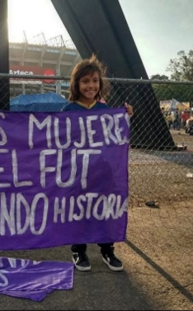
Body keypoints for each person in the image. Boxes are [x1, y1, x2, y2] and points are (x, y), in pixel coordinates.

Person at [61, 54, 133, 272]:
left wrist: (126, 115)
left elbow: (115, 139)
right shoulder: (68, 111)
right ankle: (79, 250)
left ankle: (107, 249)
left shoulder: (106, 110)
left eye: (94, 80)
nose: (90, 85)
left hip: (103, 172)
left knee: (105, 210)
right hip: (78, 172)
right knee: (79, 211)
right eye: (85, 81)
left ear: (100, 84)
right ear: (76, 84)